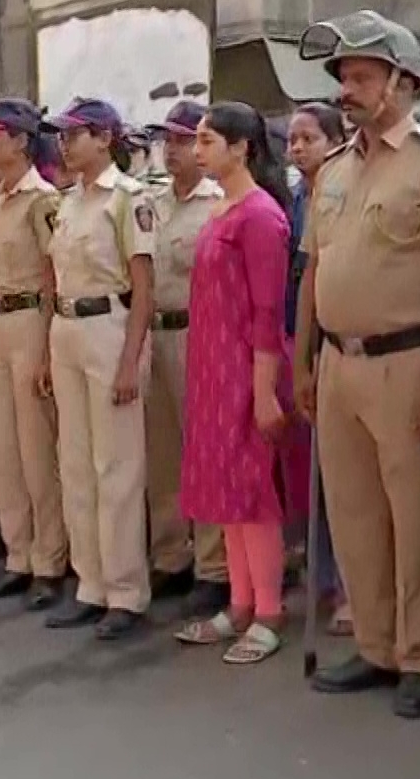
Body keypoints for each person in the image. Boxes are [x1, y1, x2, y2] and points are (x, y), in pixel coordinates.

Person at [293, 11, 420, 719]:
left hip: (409, 359)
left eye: (363, 75)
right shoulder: (334, 170)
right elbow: (314, 271)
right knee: (354, 513)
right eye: (343, 76)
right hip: (338, 362)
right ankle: (373, 646)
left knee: (416, 516)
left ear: (402, 81)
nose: (348, 88)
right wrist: (302, 358)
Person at [172, 101, 297, 665]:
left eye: (206, 141)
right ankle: (240, 601)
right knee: (226, 491)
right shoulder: (223, 210)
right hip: (212, 368)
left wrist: (265, 389)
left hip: (248, 370)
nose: (196, 151)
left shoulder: (261, 217)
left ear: (241, 147)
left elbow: (268, 312)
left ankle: (268, 609)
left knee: (252, 493)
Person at [40, 97, 155, 640]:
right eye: (62, 134)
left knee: (117, 466)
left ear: (106, 137)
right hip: (67, 328)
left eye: (76, 133)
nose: (66, 143)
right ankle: (91, 583)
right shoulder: (68, 202)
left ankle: (126, 592)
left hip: (110, 327)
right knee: (77, 462)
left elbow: (144, 286)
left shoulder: (127, 200)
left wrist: (131, 359)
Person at [0, 98, 68, 610]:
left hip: (33, 318)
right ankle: (19, 554)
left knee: (35, 447)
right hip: (4, 320)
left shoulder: (41, 201)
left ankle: (50, 560)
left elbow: (53, 277)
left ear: (22, 141)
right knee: (4, 448)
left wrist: (50, 344)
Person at [140, 100, 227, 608]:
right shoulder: (154, 203)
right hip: (156, 330)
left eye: (182, 140)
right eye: (166, 140)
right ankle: (170, 555)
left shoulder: (217, 203)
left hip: (198, 334)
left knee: (204, 450)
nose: (171, 150)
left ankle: (213, 564)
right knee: (163, 453)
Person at [285, 102, 351, 634]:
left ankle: (355, 587)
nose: (299, 148)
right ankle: (325, 577)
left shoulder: (346, 187)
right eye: (293, 139)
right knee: (319, 474)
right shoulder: (296, 198)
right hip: (309, 341)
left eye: (310, 138)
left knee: (352, 481)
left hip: (352, 341)